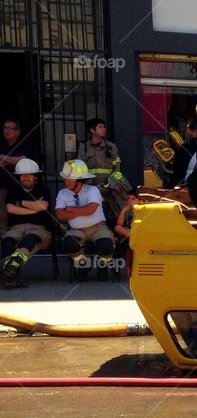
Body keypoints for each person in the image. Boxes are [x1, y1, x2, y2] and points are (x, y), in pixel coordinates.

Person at [55, 159, 115, 281]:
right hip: (76, 230)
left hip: (98, 227)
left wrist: (70, 209)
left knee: (106, 245)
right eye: (65, 178)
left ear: (79, 181)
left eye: (69, 179)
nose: (66, 181)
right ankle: (83, 265)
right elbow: (60, 215)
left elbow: (90, 210)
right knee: (69, 243)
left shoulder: (93, 191)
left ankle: (102, 267)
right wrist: (82, 210)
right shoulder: (62, 193)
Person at [1, 159, 51, 289]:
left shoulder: (42, 189)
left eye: (29, 175)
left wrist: (21, 203)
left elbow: (44, 206)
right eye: (23, 176)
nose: (26, 178)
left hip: (39, 229)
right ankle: (12, 274)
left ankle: (10, 268)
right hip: (16, 228)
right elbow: (10, 209)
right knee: (7, 240)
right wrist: (34, 209)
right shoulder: (13, 190)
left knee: (29, 240)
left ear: (36, 177)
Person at [77, 117, 131, 223]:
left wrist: (110, 185)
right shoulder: (84, 148)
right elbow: (81, 170)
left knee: (116, 214)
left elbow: (117, 169)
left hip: (111, 190)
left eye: (104, 127)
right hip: (91, 189)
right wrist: (93, 187)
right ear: (92, 130)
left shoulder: (111, 147)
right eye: (100, 127)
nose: (104, 129)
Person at [0, 118, 33, 229]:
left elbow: (23, 161)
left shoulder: (24, 144)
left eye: (10, 128)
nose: (6, 131)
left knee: (19, 216)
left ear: (18, 131)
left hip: (19, 188)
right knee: (2, 216)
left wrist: (3, 157)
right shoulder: (1, 144)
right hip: (2, 188)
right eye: (5, 128)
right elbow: (17, 160)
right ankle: (5, 241)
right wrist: (13, 161)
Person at [113, 191, 138, 275]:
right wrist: (123, 211)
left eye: (133, 199)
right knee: (117, 228)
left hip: (142, 233)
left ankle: (134, 237)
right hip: (131, 234)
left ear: (140, 200)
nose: (130, 201)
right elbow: (119, 224)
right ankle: (134, 237)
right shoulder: (128, 211)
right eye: (128, 199)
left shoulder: (144, 209)